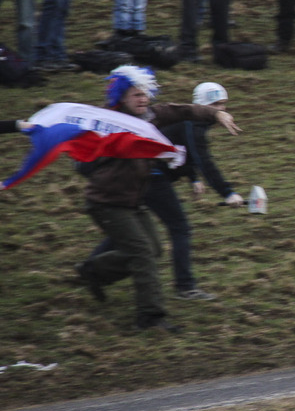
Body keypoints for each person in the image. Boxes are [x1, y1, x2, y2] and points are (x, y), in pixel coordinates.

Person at [74, 65, 241, 331]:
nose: (143, 99)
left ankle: (93, 271)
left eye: (145, 94)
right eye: (135, 94)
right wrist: (107, 160)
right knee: (142, 253)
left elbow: (184, 110)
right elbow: (81, 163)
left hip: (134, 200)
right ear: (121, 97)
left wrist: (216, 114)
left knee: (153, 249)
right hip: (107, 202)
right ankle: (150, 317)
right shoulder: (105, 124)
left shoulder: (152, 116)